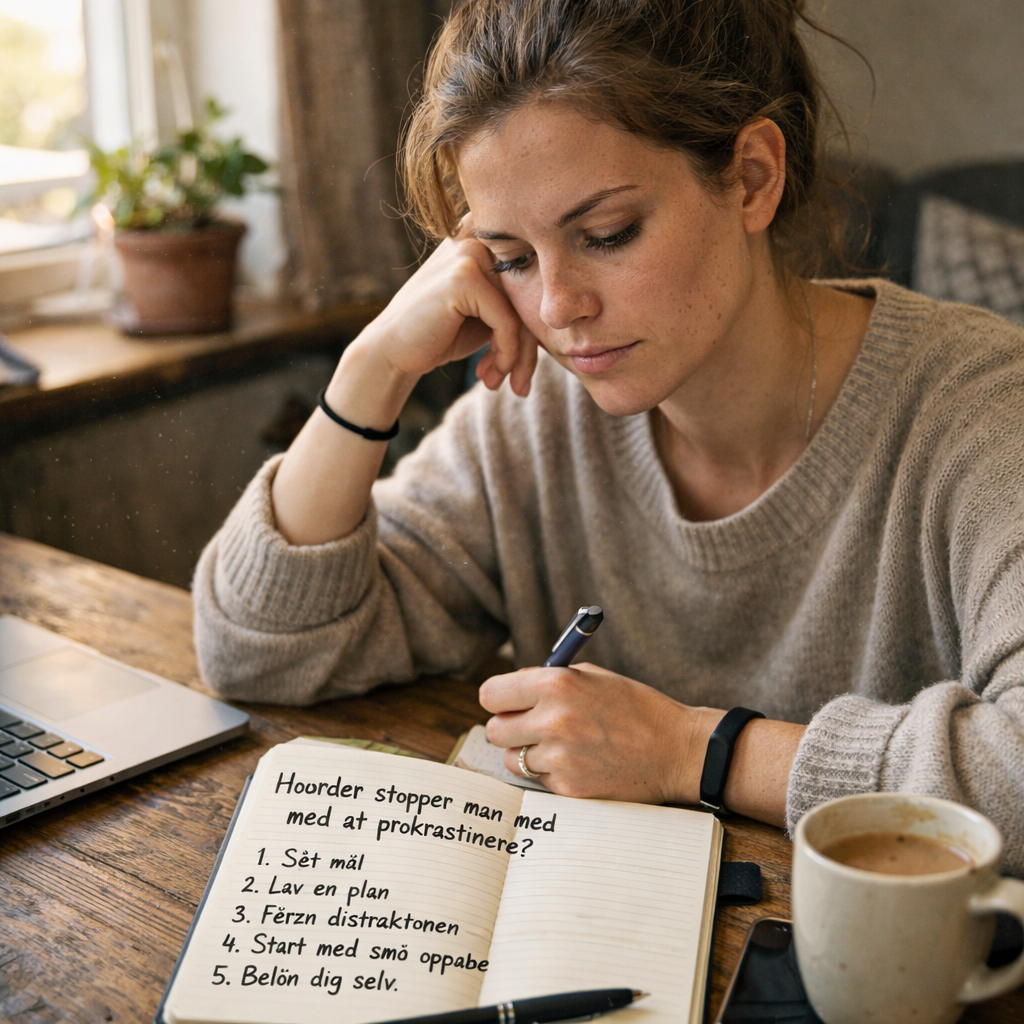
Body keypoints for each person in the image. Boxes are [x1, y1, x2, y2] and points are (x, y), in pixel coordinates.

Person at [194, 0, 1024, 870]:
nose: (558, 309)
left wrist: (689, 749)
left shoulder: (980, 410)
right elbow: (258, 649)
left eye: (606, 233)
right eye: (512, 257)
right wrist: (370, 373)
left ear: (751, 177)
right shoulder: (537, 416)